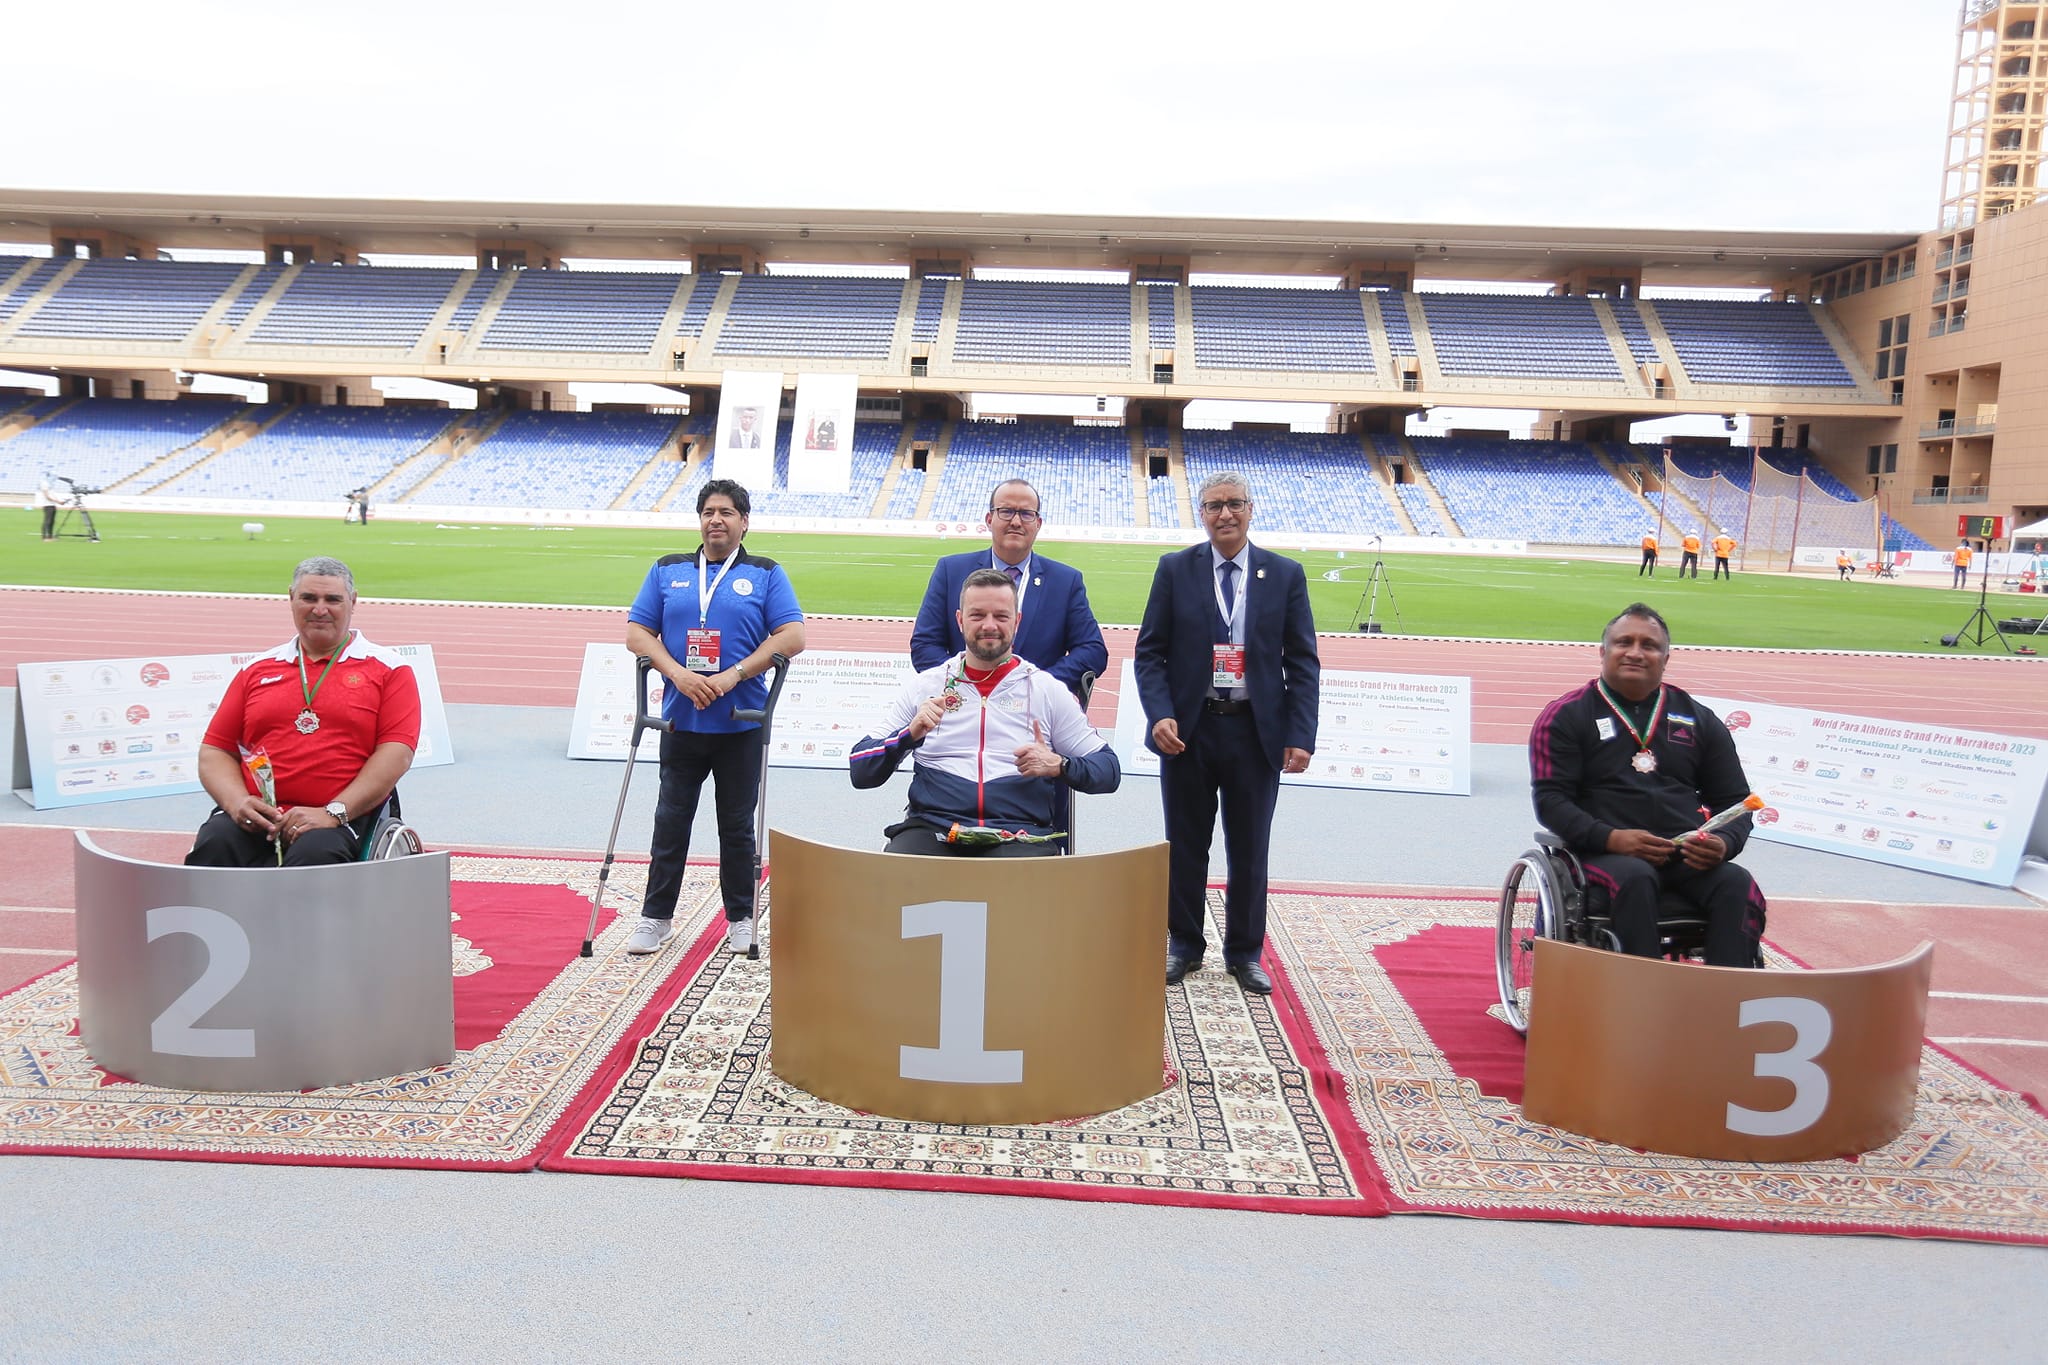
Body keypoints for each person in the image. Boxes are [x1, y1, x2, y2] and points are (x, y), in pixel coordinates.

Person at [1136, 471, 1320, 994]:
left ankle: (1244, 952)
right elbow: (1150, 652)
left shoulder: (1284, 574)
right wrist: (1159, 713)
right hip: (1189, 734)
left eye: (1234, 504)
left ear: (1250, 509)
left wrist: (1301, 733)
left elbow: (1302, 661)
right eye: (1214, 505)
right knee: (1186, 846)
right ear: (1201, 513)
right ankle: (1184, 944)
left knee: (1249, 848)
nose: (1224, 514)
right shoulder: (1175, 569)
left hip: (1254, 734)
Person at [1528, 603, 1765, 969]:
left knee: (1738, 884)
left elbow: (1736, 802)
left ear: (1666, 658)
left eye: (1649, 645)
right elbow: (1551, 801)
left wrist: (1723, 845)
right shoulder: (1566, 715)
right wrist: (1613, 839)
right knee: (1635, 878)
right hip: (1599, 854)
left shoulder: (1699, 719)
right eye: (1624, 642)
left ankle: (1728, 1001)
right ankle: (1643, 1001)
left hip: (1683, 855)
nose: (1636, 652)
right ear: (1603, 652)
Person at [623, 479, 805, 956]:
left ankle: (740, 917)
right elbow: (638, 633)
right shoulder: (668, 569)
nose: (716, 520)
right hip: (682, 721)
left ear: (744, 521)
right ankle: (656, 917)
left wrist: (732, 676)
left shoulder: (766, 573)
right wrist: (678, 674)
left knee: (737, 827)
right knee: (670, 821)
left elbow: (792, 636)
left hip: (739, 722)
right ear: (699, 519)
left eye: (726, 512)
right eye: (708, 511)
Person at [852, 568, 1119, 856]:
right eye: (977, 615)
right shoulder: (927, 686)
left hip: (1018, 833)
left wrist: (1059, 765)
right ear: (960, 620)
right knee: (896, 877)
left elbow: (1109, 769)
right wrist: (908, 735)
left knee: (1025, 886)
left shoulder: (1046, 690)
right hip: (934, 829)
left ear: (1016, 621)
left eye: (1001, 616)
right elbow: (860, 770)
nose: (989, 625)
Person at [186, 557, 420, 867]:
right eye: (309, 598)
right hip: (259, 814)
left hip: (341, 817)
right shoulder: (256, 670)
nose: (319, 609)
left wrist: (334, 812)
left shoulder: (389, 669)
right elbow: (215, 750)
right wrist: (237, 802)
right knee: (215, 843)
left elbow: (396, 753)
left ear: (352, 601)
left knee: (314, 856)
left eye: (332, 600)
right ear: (291, 599)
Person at [910, 478, 1107, 698]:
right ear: (989, 519)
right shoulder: (950, 571)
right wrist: (965, 684)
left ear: (1038, 523)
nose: (1016, 521)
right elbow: (924, 645)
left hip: (1035, 711)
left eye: (1026, 513)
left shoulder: (1065, 581)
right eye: (1006, 511)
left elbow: (1093, 650)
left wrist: (1038, 685)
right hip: (963, 707)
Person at [35, 472, 58, 541]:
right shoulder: (44, 484)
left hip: (52, 504)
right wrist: (58, 501)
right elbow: (47, 496)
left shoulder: (50, 484)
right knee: (47, 521)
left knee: (52, 521)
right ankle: (44, 537)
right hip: (47, 505)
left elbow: (51, 495)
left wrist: (56, 501)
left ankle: (50, 536)